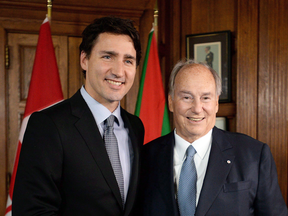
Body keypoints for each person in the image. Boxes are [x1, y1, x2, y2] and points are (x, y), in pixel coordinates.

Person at [12, 16, 144, 216]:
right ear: (85, 59)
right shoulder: (48, 125)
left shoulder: (135, 126)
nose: (119, 71)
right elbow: (33, 211)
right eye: (108, 56)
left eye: (128, 60)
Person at [140, 59, 287, 215]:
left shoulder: (254, 155)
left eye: (205, 98)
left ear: (216, 103)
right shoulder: (145, 157)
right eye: (187, 97)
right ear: (171, 102)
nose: (197, 108)